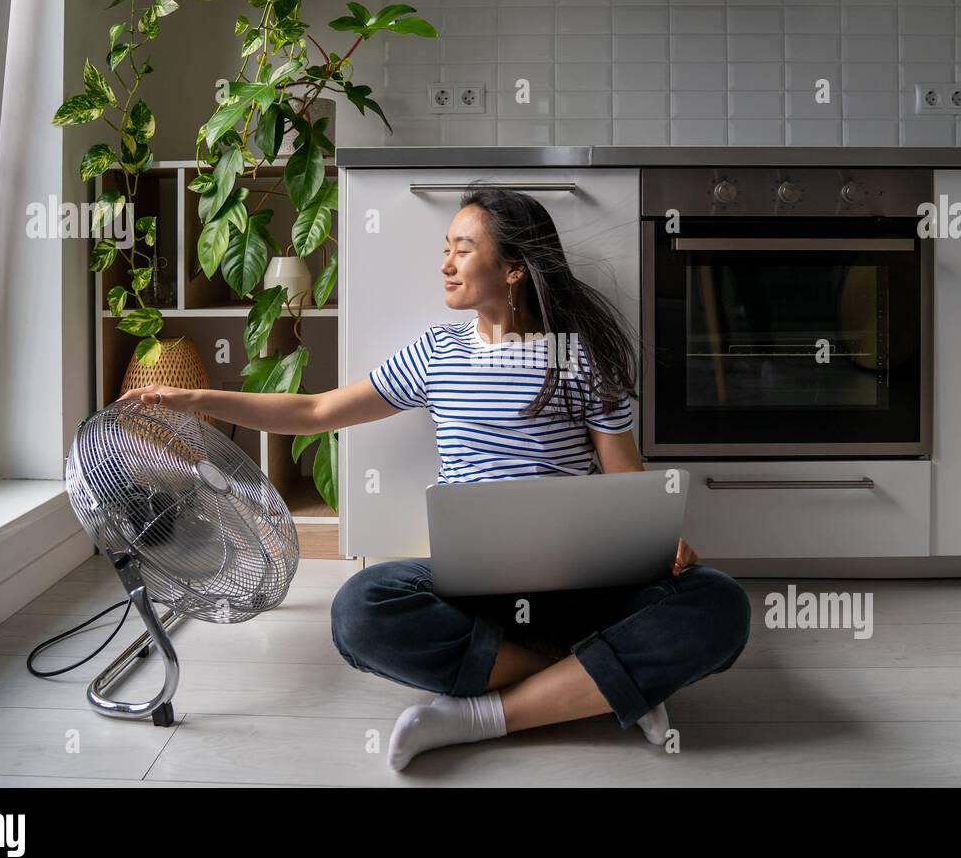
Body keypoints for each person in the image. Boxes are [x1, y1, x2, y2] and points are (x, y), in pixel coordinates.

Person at [120, 186, 752, 771]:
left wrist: (660, 542)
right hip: (475, 588)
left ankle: (483, 717)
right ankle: (598, 682)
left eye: (463, 249)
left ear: (512, 269)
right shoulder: (438, 352)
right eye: (444, 249)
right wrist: (199, 398)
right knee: (359, 611)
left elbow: (625, 480)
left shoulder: (579, 356)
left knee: (720, 604)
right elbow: (314, 412)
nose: (445, 263)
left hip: (584, 587)